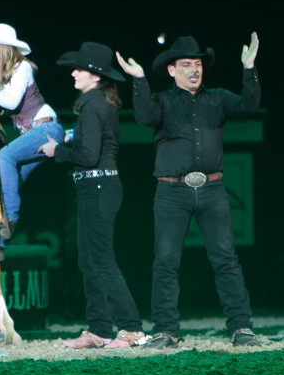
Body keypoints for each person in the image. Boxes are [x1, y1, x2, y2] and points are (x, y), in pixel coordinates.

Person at [115, 33, 262, 348]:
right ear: (172, 70)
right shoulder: (163, 102)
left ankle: (241, 328)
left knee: (225, 259)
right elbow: (143, 117)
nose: (194, 70)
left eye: (197, 64)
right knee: (166, 261)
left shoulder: (218, 98)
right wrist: (139, 80)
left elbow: (249, 106)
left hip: (213, 189)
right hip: (172, 193)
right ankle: (166, 330)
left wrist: (249, 69)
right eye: (186, 65)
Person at [38, 42, 145, 349]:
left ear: (95, 76)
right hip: (93, 188)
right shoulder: (96, 104)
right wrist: (68, 137)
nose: (73, 73)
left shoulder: (94, 105)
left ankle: (132, 328)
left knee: (102, 260)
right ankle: (99, 329)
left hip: (99, 187)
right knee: (88, 260)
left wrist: (55, 150)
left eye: (79, 69)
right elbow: (90, 143)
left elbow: (88, 155)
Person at [0, 23, 64, 259]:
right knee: (7, 186)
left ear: (2, 49)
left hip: (47, 129)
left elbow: (10, 101)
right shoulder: (3, 75)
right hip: (33, 134)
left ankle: (11, 219)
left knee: (5, 156)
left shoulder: (23, 68)